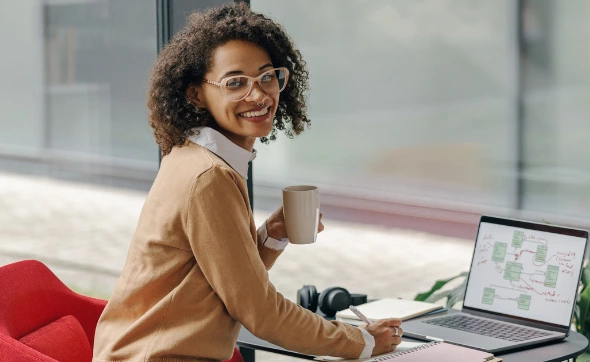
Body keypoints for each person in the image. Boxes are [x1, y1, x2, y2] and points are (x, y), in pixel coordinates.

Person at [92, 3, 402, 362]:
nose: (258, 95)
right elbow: (260, 311)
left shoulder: (194, 156)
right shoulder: (209, 178)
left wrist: (271, 235)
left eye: (267, 76)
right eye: (235, 83)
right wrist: (361, 343)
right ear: (196, 93)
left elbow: (217, 281)